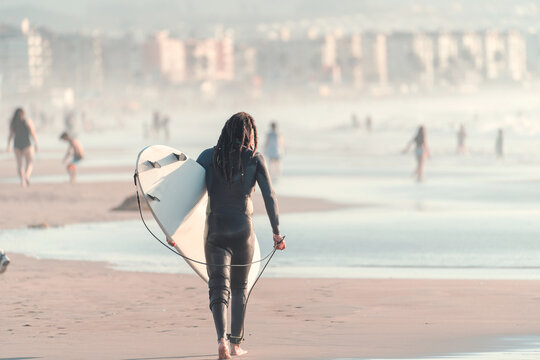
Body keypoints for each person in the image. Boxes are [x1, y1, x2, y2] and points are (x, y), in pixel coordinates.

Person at [196, 112, 286, 359]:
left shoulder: (207, 156)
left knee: (217, 288)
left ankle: (221, 340)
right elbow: (269, 196)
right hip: (242, 229)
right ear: (249, 134)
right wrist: (276, 233)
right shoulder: (255, 159)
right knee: (239, 288)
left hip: (215, 229)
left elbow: (187, 192)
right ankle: (236, 345)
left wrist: (172, 228)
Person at [6, 108, 39, 187]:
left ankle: (22, 181)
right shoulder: (27, 121)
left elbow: (10, 135)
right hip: (27, 144)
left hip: (17, 145)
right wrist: (36, 143)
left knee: (20, 165)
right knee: (30, 163)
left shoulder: (13, 123)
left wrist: (9, 146)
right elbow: (33, 132)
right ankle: (27, 175)